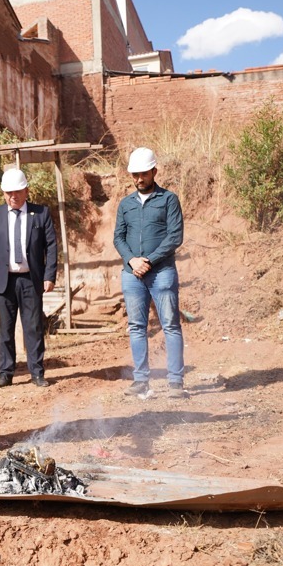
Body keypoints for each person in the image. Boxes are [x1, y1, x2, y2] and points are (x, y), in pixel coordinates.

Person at [113, 147, 186, 399]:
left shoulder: (169, 200)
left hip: (162, 271)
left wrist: (150, 261)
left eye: (143, 174)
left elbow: (175, 236)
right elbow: (118, 237)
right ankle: (141, 380)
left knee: (170, 325)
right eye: (134, 175)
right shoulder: (126, 204)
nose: (138, 179)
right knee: (136, 326)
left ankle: (176, 382)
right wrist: (132, 260)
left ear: (154, 171)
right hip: (132, 274)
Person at [0, 167, 57, 388]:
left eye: (17, 191)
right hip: (5, 280)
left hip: (31, 280)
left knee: (33, 327)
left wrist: (49, 275)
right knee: (5, 328)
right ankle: (5, 372)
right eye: (8, 192)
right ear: (3, 193)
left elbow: (51, 247)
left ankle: (37, 373)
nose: (13, 196)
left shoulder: (40, 214)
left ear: (26, 191)